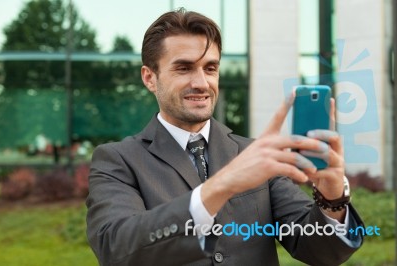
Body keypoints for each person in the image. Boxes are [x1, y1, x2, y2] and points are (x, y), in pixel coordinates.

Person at [86, 8, 363, 266]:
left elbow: (317, 249)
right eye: (183, 68)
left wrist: (332, 197)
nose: (201, 82)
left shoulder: (253, 154)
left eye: (210, 68)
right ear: (149, 78)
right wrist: (220, 187)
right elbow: (116, 247)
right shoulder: (117, 160)